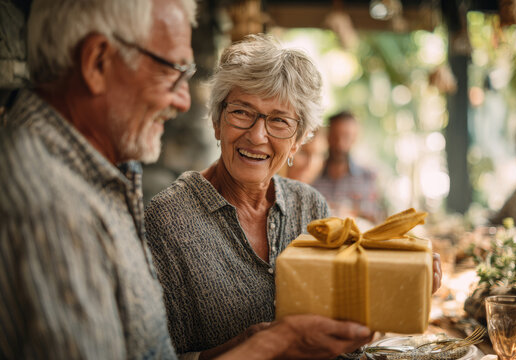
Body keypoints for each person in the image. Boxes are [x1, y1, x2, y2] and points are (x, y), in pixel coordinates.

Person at [0, 1, 372, 359]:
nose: (182, 101)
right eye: (170, 69)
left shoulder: (102, 181)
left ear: (298, 137)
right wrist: (275, 343)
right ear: (97, 61)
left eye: (278, 120)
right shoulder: (48, 203)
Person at [145, 35, 442, 358]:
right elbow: (153, 354)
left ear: (298, 140)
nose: (257, 136)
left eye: (279, 121)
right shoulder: (168, 219)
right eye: (242, 112)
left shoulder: (309, 205)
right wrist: (253, 344)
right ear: (217, 122)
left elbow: (342, 325)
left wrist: (402, 292)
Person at [312, 111, 385, 223]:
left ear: (355, 138)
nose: (340, 144)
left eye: (346, 137)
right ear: (328, 136)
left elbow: (378, 218)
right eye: (335, 136)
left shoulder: (368, 178)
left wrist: (352, 213)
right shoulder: (312, 173)